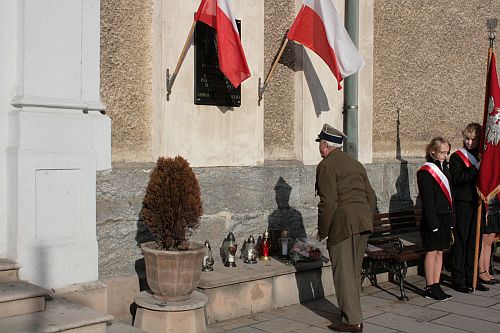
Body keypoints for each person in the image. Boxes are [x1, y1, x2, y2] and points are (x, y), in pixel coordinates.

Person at [314, 123, 376, 333]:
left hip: (343, 223)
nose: (319, 149)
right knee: (353, 270)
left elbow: (328, 203)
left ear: (325, 145)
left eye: (320, 144)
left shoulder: (326, 166)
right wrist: (367, 217)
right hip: (362, 221)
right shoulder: (355, 163)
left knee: (343, 273)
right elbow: (371, 197)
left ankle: (352, 321)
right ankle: (351, 313)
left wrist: (323, 231)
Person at [449, 123, 489, 292]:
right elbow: (458, 179)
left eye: (473, 139)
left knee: (475, 242)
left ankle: (472, 276)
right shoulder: (457, 157)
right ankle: (458, 278)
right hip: (463, 203)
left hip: (477, 202)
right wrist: (476, 168)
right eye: (467, 138)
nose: (469, 143)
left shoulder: (482, 156)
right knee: (462, 241)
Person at [417, 137, 454, 301]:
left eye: (447, 152)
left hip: (445, 216)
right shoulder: (426, 171)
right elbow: (428, 201)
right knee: (431, 252)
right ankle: (429, 286)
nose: (445, 156)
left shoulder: (445, 169)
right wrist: (433, 225)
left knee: (441, 251)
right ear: (433, 151)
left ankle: (437, 283)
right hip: (433, 219)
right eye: (442, 152)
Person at [478, 195, 500, 285]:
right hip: (487, 202)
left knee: (489, 241)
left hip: (496, 203)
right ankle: (481, 271)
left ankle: (486, 270)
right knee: (484, 241)